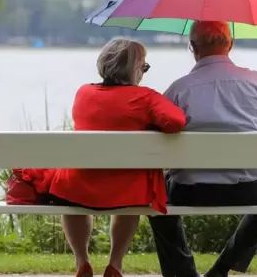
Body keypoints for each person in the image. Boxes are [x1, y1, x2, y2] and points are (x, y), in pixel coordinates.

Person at [148, 21, 257, 277]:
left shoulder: (178, 89)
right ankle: (222, 269)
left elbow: (154, 142)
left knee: (156, 196)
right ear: (230, 44)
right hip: (252, 190)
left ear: (192, 47)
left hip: (189, 192)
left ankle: (183, 273)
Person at [46, 38, 188, 277]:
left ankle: (82, 261)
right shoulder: (145, 98)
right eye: (144, 67)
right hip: (125, 190)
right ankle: (115, 263)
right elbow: (176, 122)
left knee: (70, 188)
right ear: (134, 69)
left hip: (79, 186)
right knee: (130, 191)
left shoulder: (84, 93)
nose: (143, 73)